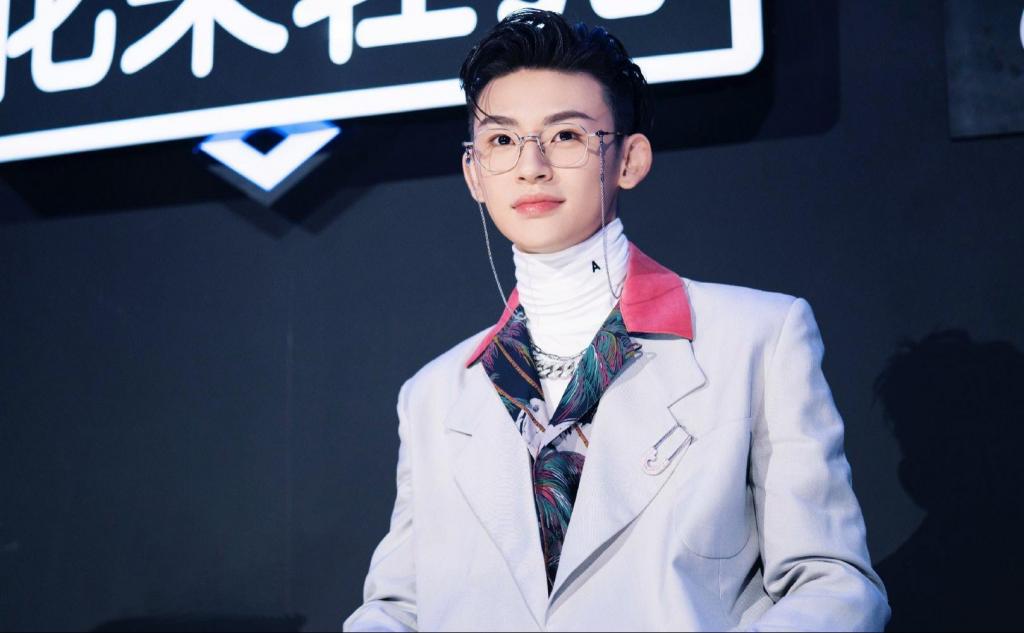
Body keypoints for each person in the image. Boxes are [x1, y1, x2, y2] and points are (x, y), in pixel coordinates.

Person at [344, 9, 890, 632]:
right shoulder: (433, 396)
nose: (531, 165)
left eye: (566, 136)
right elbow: (397, 608)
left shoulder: (757, 340)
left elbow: (832, 584)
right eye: (501, 141)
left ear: (629, 159)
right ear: (473, 173)